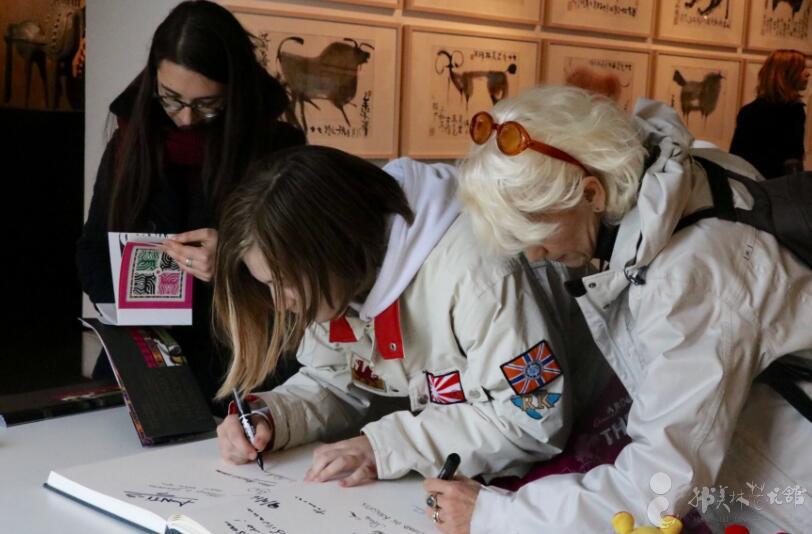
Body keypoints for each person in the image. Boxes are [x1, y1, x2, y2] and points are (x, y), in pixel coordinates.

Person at [427, 85, 812, 533]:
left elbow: (658, 484)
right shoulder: (687, 171)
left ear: (592, 193)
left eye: (536, 234)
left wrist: (493, 516)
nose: (534, 255)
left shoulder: (688, 277)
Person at [213, 144, 611, 489]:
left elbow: (531, 420)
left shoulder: (478, 273)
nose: (279, 302)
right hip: (474, 473)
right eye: (267, 284)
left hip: (583, 456)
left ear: (336, 248)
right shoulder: (343, 277)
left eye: (283, 283)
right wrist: (272, 416)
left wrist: (385, 446)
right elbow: (335, 380)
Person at [76, 0, 305, 412]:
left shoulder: (276, 147)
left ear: (234, 90)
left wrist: (234, 261)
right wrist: (130, 298)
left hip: (244, 361)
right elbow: (92, 251)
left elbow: (302, 272)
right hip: (146, 358)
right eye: (171, 99)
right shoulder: (131, 140)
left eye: (206, 104)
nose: (185, 118)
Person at [730, 49, 809, 178]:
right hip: (778, 186)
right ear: (786, 73)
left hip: (751, 185)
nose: (807, 73)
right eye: (801, 68)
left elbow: (736, 160)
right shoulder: (794, 111)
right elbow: (792, 161)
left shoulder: (747, 111)